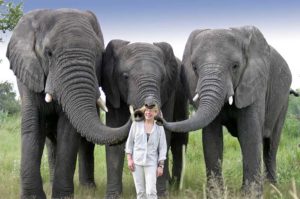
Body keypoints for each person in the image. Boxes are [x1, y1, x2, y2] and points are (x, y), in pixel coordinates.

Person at [125, 102, 167, 199]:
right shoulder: (136, 124)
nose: (148, 112)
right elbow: (129, 143)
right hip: (137, 162)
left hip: (151, 162)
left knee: (151, 192)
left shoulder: (159, 128)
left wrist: (161, 165)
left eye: (151, 111)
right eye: (147, 110)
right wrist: (129, 159)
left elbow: (163, 147)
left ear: (156, 113)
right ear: (144, 111)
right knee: (140, 192)